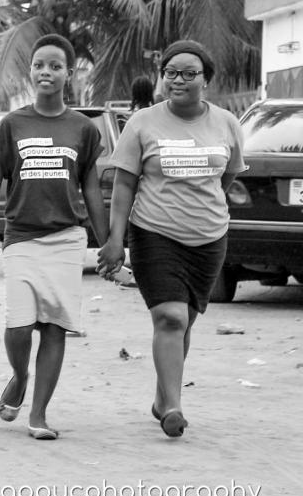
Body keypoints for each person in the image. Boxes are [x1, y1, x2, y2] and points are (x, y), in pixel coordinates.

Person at [0, 35, 109, 440]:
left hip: (66, 238)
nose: (46, 72)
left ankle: (38, 415)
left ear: (68, 74)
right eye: (39, 65)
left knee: (55, 327)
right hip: (21, 237)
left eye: (55, 66)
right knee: (19, 325)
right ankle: (20, 376)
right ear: (31, 71)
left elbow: (91, 190)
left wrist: (109, 242)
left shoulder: (83, 129)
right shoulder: (12, 125)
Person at [97, 40, 246, 439]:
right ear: (162, 77)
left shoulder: (227, 123)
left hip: (209, 238)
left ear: (206, 80)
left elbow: (228, 175)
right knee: (170, 317)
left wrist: (203, 204)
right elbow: (124, 184)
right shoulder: (142, 123)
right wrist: (115, 240)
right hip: (155, 233)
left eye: (189, 73)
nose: (178, 80)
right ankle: (174, 409)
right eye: (170, 73)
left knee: (186, 322)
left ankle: (163, 397)